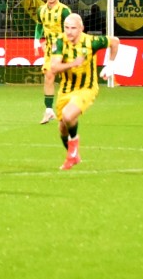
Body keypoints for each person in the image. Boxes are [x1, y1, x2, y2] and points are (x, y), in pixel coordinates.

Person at [44, 13, 113, 171]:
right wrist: (73, 64)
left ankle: (73, 150)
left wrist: (111, 65)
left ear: (81, 28)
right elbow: (54, 68)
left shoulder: (92, 41)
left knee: (69, 115)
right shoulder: (59, 42)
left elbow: (115, 42)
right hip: (66, 89)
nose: (69, 31)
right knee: (62, 128)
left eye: (73, 28)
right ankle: (73, 155)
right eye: (66, 28)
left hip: (86, 88)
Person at [33, 0, 68, 123]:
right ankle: (48, 111)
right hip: (49, 49)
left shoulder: (64, 11)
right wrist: (36, 41)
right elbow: (39, 25)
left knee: (68, 80)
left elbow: (71, 30)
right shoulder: (41, 10)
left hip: (64, 48)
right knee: (48, 76)